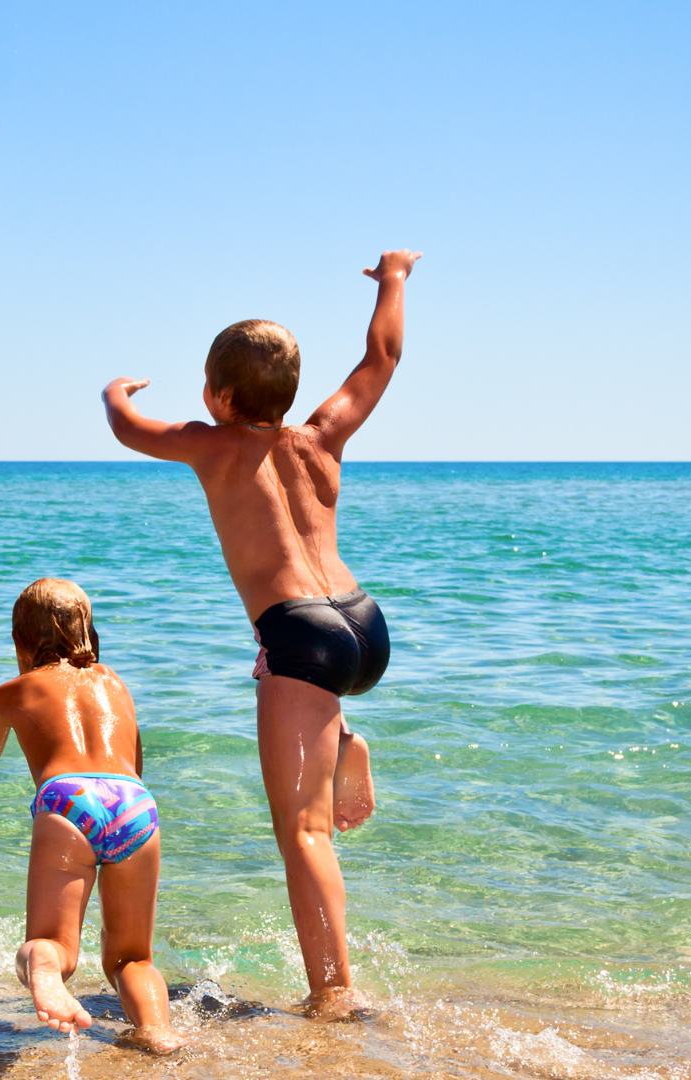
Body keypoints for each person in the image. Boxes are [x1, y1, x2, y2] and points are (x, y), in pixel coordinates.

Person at [98, 250, 422, 1017]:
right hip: (362, 623)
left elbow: (127, 428)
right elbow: (382, 356)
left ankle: (334, 991)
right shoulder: (322, 436)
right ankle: (343, 739)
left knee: (304, 835)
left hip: (301, 639)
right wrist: (395, 281)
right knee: (301, 714)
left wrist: (115, 392)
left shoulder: (212, 444)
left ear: (215, 393)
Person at [0, 579, 183, 1054]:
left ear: (20, 639)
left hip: (67, 801)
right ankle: (158, 1031)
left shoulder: (13, 691)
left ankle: (45, 969)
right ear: (88, 630)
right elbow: (135, 760)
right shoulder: (114, 683)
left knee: (53, 944)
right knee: (132, 957)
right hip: (134, 803)